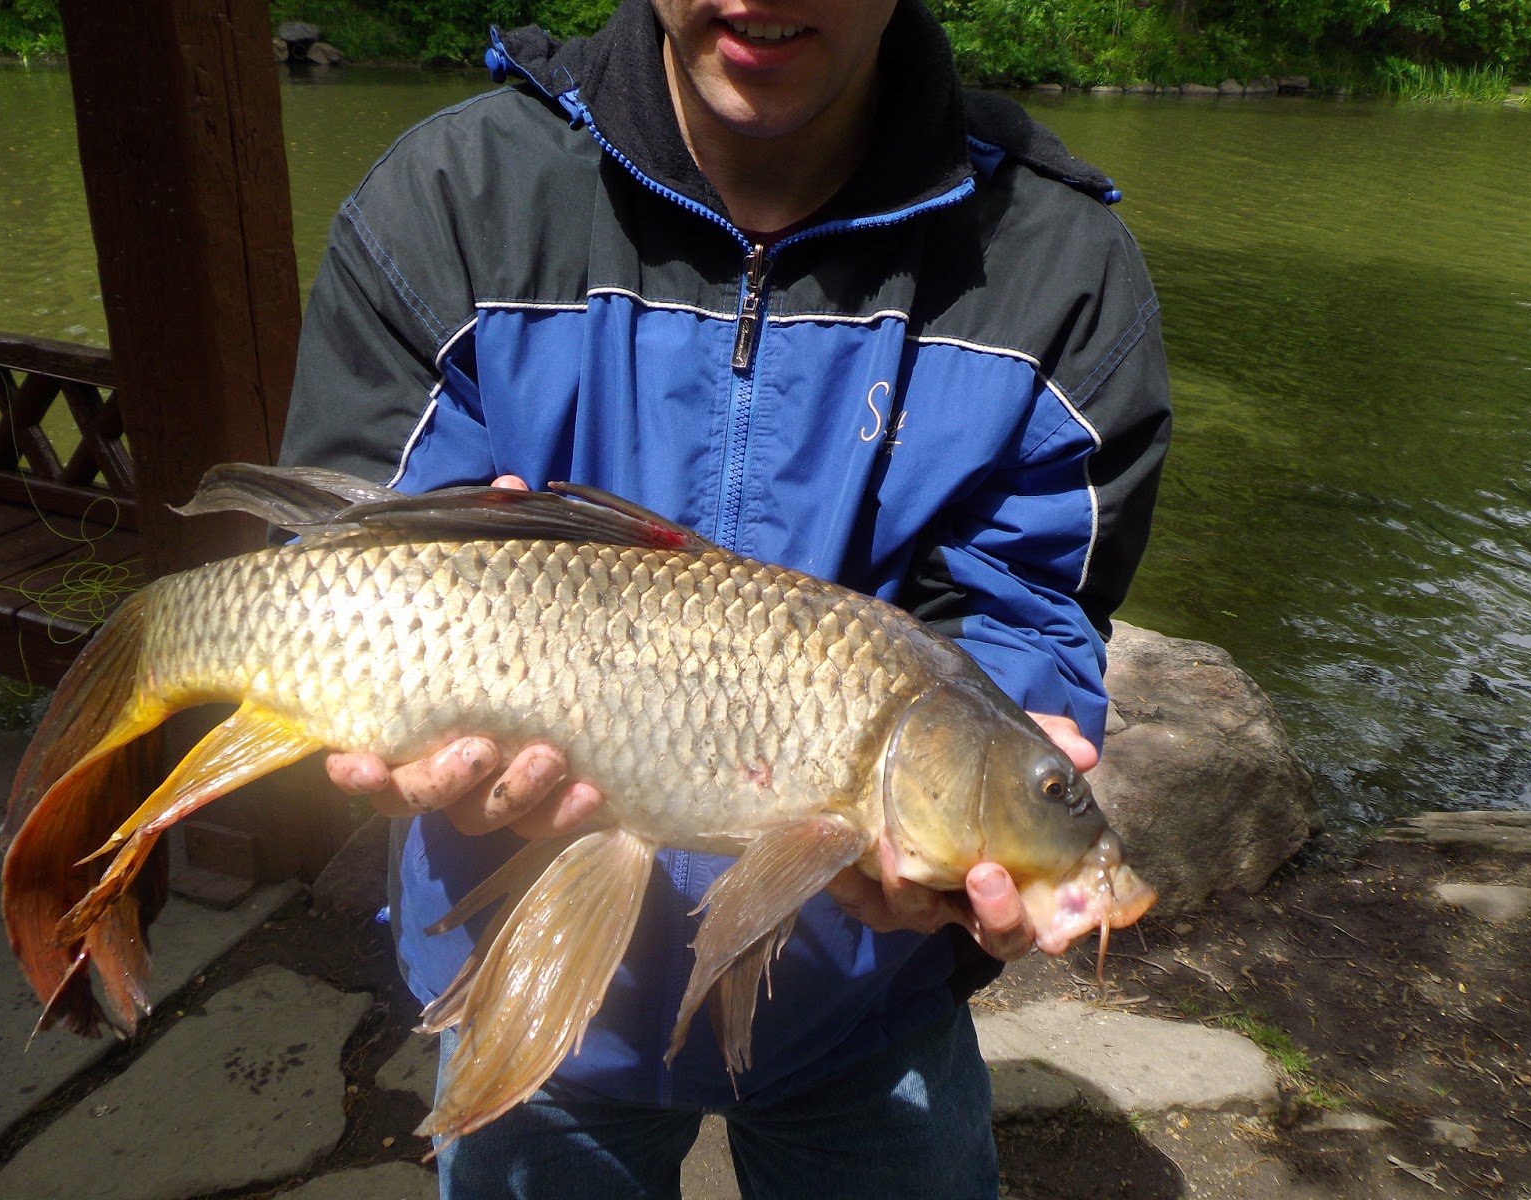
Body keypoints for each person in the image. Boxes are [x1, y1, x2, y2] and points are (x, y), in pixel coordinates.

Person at [278, 1, 1171, 1195]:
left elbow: (1020, 611)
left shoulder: (1056, 267)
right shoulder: (447, 198)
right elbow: (352, 547)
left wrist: (1002, 782)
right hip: (521, 948)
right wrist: (391, 712)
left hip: (863, 1001)